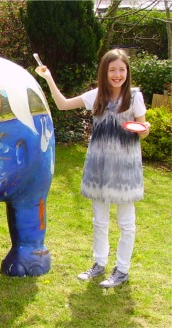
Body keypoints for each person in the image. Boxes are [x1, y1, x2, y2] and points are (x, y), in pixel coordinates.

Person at [35, 49, 150, 288]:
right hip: (99, 168)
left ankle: (122, 269)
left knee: (126, 223)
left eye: (122, 69)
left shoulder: (135, 96)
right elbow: (63, 104)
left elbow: (143, 128)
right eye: (112, 70)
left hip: (125, 169)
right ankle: (99, 264)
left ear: (127, 71)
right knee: (99, 221)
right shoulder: (97, 95)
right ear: (104, 72)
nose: (117, 74)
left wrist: (144, 127)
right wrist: (48, 78)